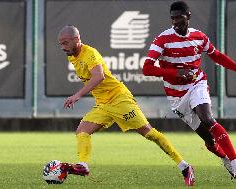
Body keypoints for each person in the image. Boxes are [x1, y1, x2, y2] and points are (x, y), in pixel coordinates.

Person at [142, 1, 236, 184]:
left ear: (188, 16)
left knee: (208, 119)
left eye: (179, 18)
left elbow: (219, 57)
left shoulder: (199, 37)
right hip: (176, 96)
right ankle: (227, 162)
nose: (175, 22)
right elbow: (147, 69)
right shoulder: (163, 39)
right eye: (173, 18)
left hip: (196, 84)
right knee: (209, 140)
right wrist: (174, 72)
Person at [57, 25, 195, 187]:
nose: (62, 47)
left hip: (119, 99)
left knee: (149, 133)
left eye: (65, 43)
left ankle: (185, 167)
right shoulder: (72, 56)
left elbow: (99, 76)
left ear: (76, 39)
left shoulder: (90, 54)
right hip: (103, 104)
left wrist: (77, 95)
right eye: (60, 44)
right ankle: (83, 165)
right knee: (82, 131)